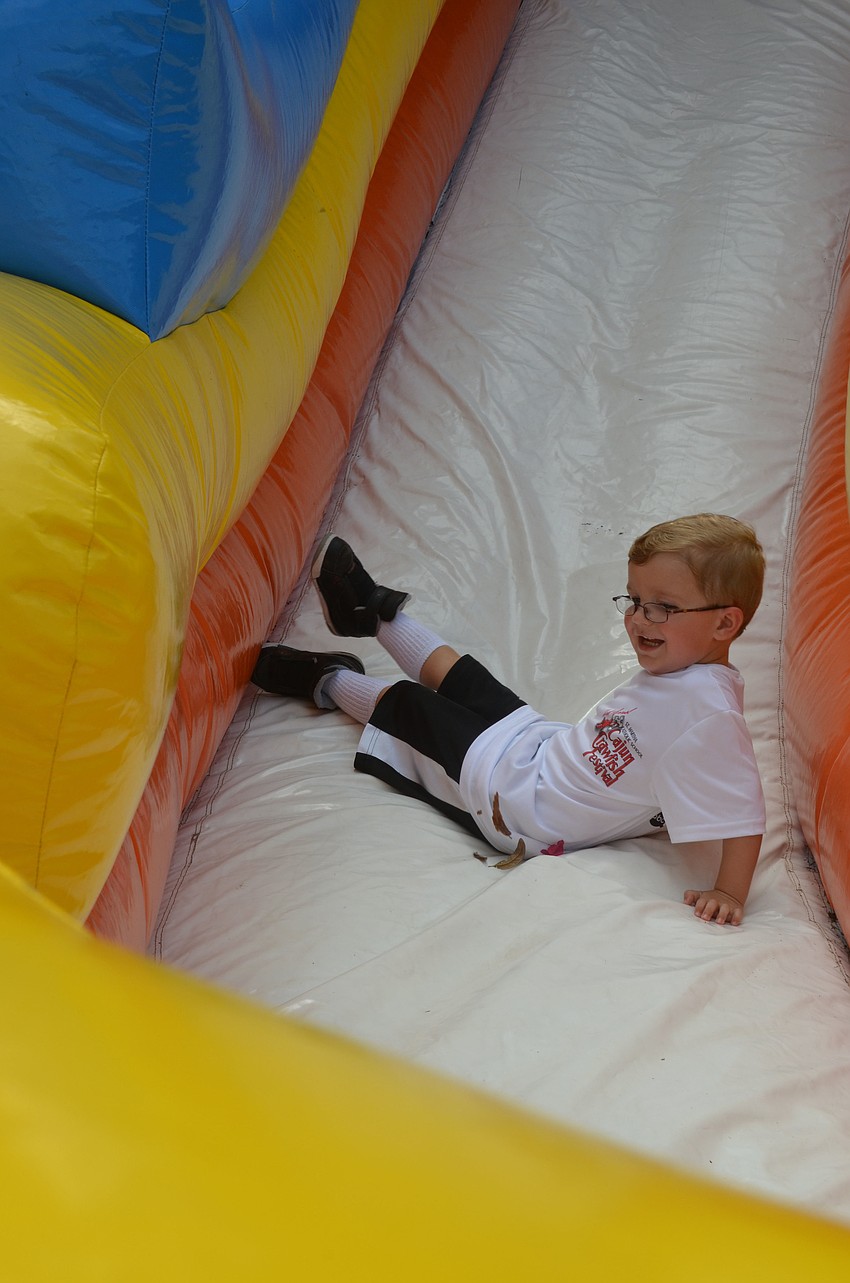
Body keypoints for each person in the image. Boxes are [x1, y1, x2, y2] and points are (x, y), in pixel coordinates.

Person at [252, 513, 766, 926]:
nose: (636, 620)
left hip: (521, 806)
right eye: (634, 601)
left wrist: (729, 891)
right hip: (542, 750)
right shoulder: (684, 667)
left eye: (662, 608)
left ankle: (327, 679)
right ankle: (373, 614)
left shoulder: (711, 715)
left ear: (725, 623)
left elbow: (743, 812)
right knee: (466, 681)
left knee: (413, 705)